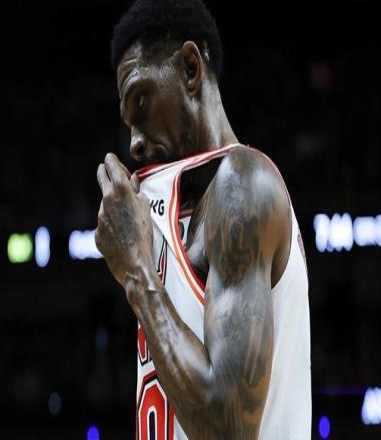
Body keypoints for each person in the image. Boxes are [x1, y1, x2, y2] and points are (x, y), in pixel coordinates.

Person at [95, 0, 311, 438]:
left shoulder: (244, 185)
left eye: (141, 100)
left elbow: (227, 427)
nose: (134, 143)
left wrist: (136, 273)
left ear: (190, 69)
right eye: (127, 123)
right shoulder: (177, 218)